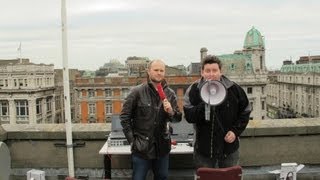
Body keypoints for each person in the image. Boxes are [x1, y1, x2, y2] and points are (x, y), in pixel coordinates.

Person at [183, 55, 251, 169]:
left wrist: (235, 131)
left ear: (220, 71)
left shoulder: (234, 89)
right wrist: (205, 104)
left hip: (229, 149)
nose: (211, 74)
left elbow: (245, 111)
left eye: (214, 70)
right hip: (203, 151)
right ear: (202, 72)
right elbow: (189, 116)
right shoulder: (194, 90)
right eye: (207, 71)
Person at [120, 59, 182, 180]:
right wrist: (133, 141)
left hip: (162, 148)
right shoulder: (137, 92)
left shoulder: (169, 93)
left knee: (162, 177)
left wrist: (171, 111)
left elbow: (177, 119)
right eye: (156, 70)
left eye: (161, 70)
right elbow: (124, 117)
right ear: (148, 71)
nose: (159, 73)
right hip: (141, 148)